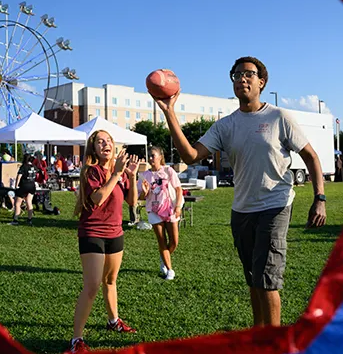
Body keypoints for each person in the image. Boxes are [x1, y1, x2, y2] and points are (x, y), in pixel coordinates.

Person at [154, 56, 327, 327]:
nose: (242, 79)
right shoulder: (226, 125)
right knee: (253, 278)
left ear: (262, 82)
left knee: (267, 279)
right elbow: (190, 156)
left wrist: (320, 197)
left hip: (275, 205)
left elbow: (311, 157)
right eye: (236, 75)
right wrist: (169, 112)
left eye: (248, 74)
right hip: (242, 210)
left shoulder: (279, 117)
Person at [67, 130, 139, 353]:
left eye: (108, 140)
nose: (105, 144)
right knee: (92, 286)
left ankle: (113, 321)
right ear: (94, 149)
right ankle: (76, 340)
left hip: (115, 232)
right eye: (100, 142)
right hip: (92, 232)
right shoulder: (92, 171)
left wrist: (133, 176)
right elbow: (97, 199)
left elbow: (132, 202)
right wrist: (116, 174)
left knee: (110, 280)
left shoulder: (121, 172)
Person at [138, 146, 183, 280]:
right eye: (149, 156)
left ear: (160, 157)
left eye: (153, 155)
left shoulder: (168, 171)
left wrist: (178, 207)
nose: (150, 158)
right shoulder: (145, 175)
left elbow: (179, 189)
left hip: (170, 209)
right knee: (162, 240)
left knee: (174, 241)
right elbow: (140, 197)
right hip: (154, 210)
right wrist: (145, 192)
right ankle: (169, 270)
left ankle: (164, 257)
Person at [10, 154, 37, 226]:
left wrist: (16, 185)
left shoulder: (23, 167)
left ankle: (15, 219)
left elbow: (19, 176)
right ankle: (29, 220)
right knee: (29, 202)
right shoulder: (34, 167)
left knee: (17, 203)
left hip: (24, 185)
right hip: (32, 185)